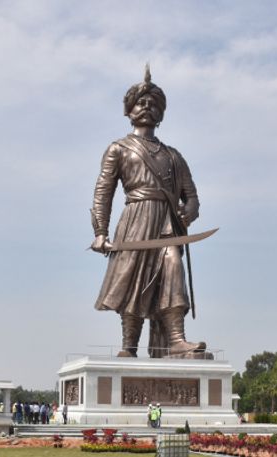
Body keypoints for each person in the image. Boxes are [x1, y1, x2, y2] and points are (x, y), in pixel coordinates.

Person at [90, 65, 207, 359]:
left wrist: (187, 213)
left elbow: (192, 197)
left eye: (153, 104)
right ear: (129, 111)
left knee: (172, 267)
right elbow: (103, 192)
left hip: (167, 225)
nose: (147, 108)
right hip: (135, 223)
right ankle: (129, 346)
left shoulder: (173, 155)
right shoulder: (118, 149)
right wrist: (100, 233)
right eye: (141, 103)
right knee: (133, 281)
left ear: (161, 113)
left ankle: (177, 339)